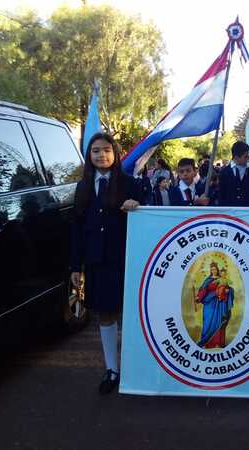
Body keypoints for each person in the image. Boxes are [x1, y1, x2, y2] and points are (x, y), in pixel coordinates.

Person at [69, 132, 140, 395]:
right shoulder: (82, 187)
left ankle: (136, 367)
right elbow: (76, 228)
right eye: (96, 150)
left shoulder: (131, 184)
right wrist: (76, 266)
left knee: (132, 315)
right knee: (106, 315)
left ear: (116, 153)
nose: (102, 155)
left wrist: (138, 206)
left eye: (107, 150)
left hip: (126, 260)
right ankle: (112, 368)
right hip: (97, 262)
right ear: (89, 155)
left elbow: (150, 216)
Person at [196, 262, 234, 348]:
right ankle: (206, 342)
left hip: (219, 304)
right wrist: (198, 297)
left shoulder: (222, 279)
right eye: (212, 269)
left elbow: (228, 288)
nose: (214, 271)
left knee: (219, 321)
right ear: (210, 270)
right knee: (208, 322)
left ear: (218, 270)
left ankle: (218, 343)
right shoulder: (208, 280)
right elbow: (203, 290)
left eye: (215, 269)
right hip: (209, 303)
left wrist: (228, 291)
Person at [218, 141, 249, 207]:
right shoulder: (224, 172)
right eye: (245, 157)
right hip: (231, 213)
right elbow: (222, 195)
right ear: (236, 157)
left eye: (248, 156)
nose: (248, 159)